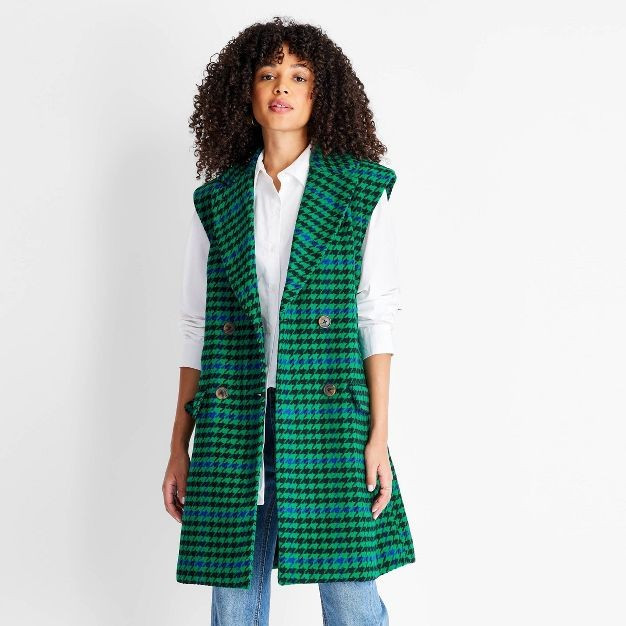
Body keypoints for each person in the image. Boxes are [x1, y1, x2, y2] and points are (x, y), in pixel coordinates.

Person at [162, 17, 415, 625]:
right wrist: (178, 444)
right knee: (233, 605)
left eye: (299, 76)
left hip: (330, 417)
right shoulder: (217, 200)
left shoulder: (359, 190)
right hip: (234, 417)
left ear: (321, 93)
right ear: (244, 92)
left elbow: (375, 316)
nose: (282, 86)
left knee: (352, 601)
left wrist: (378, 435)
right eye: (268, 73)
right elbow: (197, 326)